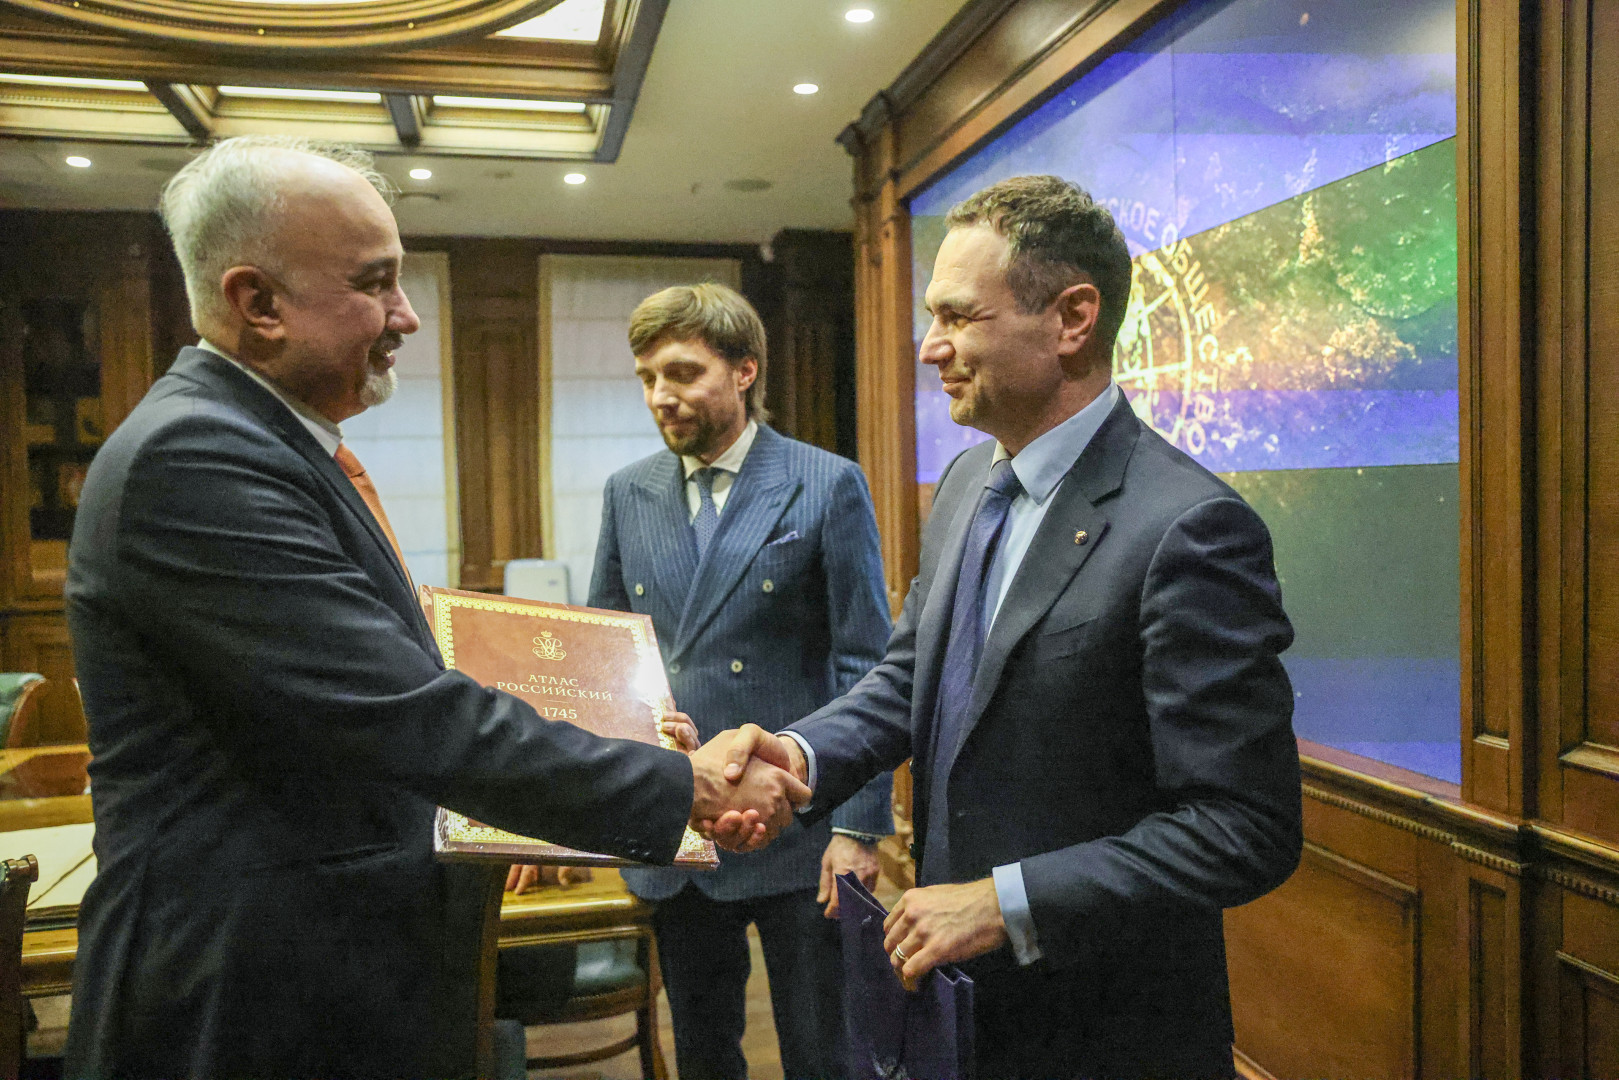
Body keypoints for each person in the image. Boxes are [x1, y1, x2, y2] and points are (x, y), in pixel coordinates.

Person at [62, 135, 804, 1079]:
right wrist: (680, 785)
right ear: (257, 303)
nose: (406, 315)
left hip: (314, 970)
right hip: (249, 994)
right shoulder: (195, 458)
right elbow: (403, 714)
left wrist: (629, 747)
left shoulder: (261, 443)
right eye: (375, 283)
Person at [710, 175, 1303, 1079]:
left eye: (957, 316)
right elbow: (911, 677)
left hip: (1106, 1034)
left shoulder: (1189, 528)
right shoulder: (965, 486)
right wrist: (798, 755)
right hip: (964, 1018)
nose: (929, 347)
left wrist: (1003, 903)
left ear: (1072, 319)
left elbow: (1244, 826)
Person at [564, 282, 893, 1080]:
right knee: (703, 1052)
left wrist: (858, 828)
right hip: (680, 824)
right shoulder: (628, 491)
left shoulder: (825, 482)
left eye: (682, 373)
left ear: (745, 371)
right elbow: (608, 655)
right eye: (647, 378)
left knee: (822, 1054)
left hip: (798, 828)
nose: (660, 396)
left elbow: (866, 663)